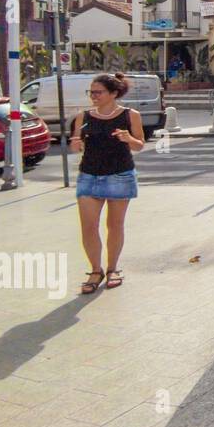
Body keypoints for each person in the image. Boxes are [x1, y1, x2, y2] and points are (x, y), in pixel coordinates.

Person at [70, 73, 145, 293]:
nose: (94, 96)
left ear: (113, 93)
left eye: (98, 92)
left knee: (114, 225)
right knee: (88, 226)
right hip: (89, 175)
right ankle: (95, 270)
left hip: (120, 175)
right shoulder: (83, 117)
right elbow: (77, 142)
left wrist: (128, 139)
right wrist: (75, 144)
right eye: (91, 92)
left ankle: (113, 268)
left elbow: (140, 144)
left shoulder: (131, 115)